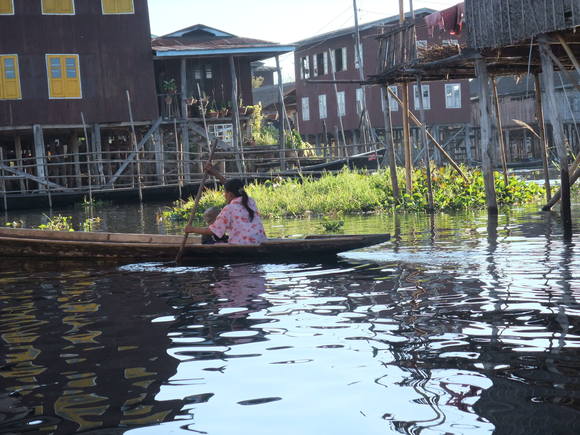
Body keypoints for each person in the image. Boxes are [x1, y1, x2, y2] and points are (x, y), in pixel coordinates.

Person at [184, 166, 267, 245]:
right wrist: (215, 173)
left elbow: (213, 231)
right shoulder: (250, 201)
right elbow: (231, 186)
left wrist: (192, 229)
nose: (224, 195)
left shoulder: (229, 209)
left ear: (230, 194)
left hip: (240, 244)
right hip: (260, 241)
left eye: (225, 193)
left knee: (209, 240)